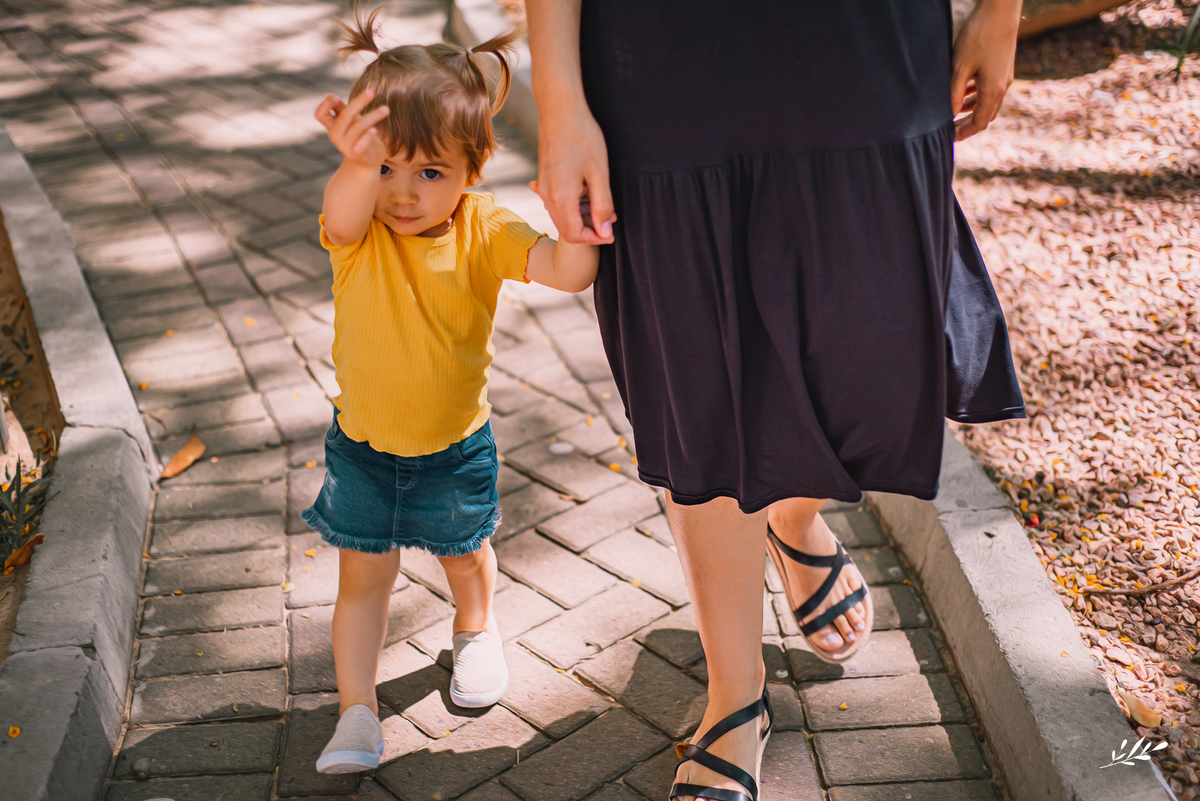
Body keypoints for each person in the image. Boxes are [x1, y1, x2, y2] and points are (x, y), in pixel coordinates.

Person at [526, 1, 1027, 800]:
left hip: (868, 43)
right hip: (663, 54)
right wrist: (559, 98)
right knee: (700, 380)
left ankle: (791, 521)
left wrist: (1001, 13)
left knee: (869, 346)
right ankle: (735, 692)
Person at [303, 8, 597, 774]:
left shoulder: (484, 228)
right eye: (386, 167)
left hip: (455, 450)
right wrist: (356, 164)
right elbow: (341, 205)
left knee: (466, 557)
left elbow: (568, 273)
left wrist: (578, 217)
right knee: (364, 580)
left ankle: (476, 631)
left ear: (472, 170)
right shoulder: (360, 224)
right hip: (363, 449)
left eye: (429, 172)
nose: (403, 193)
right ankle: (357, 714)